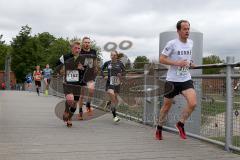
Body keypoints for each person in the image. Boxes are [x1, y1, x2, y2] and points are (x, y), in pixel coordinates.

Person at [156, 20, 197, 140]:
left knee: (193, 103)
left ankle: (180, 123)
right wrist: (177, 63)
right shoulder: (172, 44)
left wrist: (191, 63)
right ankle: (159, 128)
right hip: (172, 80)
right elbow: (162, 59)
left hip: (185, 79)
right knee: (166, 107)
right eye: (184, 29)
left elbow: (187, 58)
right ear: (178, 31)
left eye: (188, 29)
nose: (187, 31)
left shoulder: (191, 43)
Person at [56, 40, 86, 127]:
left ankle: (69, 118)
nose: (77, 50)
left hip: (78, 83)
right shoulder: (65, 57)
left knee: (74, 103)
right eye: (75, 48)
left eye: (79, 48)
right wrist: (61, 72)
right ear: (71, 48)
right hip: (67, 82)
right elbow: (57, 66)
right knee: (70, 98)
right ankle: (66, 110)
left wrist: (82, 69)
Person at [101, 51, 126, 122]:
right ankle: (114, 116)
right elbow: (101, 70)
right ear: (110, 56)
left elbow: (124, 71)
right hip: (109, 82)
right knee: (113, 99)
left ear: (117, 56)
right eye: (112, 55)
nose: (113, 56)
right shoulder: (107, 63)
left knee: (114, 98)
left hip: (117, 83)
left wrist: (121, 74)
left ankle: (108, 102)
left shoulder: (120, 63)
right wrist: (104, 76)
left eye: (115, 55)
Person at [80, 37, 98, 114]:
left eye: (88, 42)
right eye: (85, 42)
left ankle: (88, 103)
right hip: (82, 75)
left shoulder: (93, 51)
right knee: (82, 95)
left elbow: (95, 60)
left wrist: (96, 67)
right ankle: (80, 111)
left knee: (91, 91)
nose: (87, 44)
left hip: (90, 74)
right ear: (82, 43)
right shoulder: (79, 51)